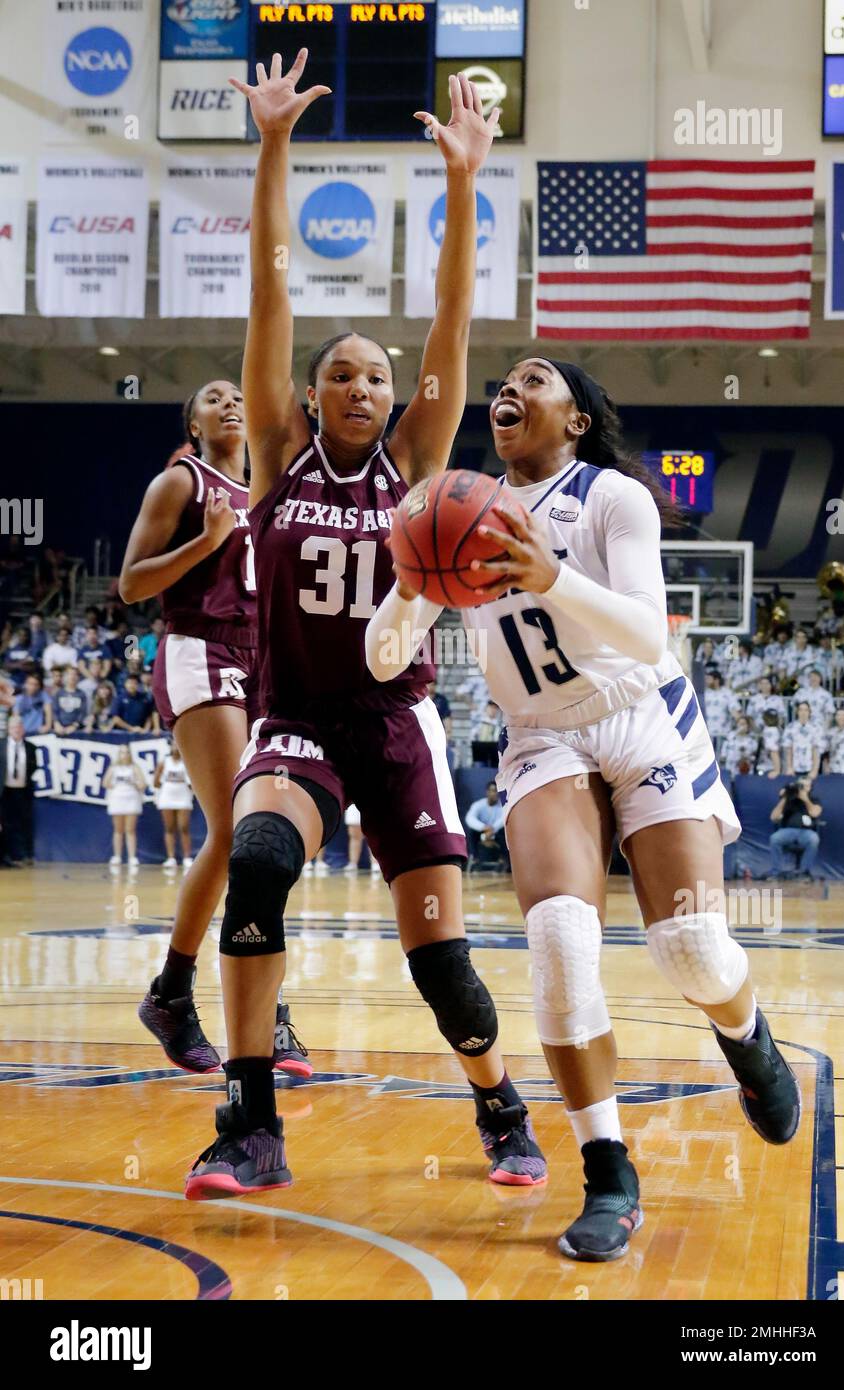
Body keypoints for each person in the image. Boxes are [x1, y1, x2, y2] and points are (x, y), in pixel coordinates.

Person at [183, 52, 545, 1202]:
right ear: (306, 399)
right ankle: (248, 1122)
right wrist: (272, 142)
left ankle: (498, 1105)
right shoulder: (279, 460)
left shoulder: (420, 469)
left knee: (440, 962)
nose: (358, 383)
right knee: (255, 865)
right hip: (292, 719)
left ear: (395, 400)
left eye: (375, 376)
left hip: (394, 727)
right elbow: (269, 292)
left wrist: (464, 183)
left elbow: (448, 314)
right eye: (339, 373)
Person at [369, 356, 800, 1262]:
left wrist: (547, 573)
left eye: (536, 377)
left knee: (689, 946)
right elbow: (380, 659)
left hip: (644, 715)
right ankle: (609, 1170)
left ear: (575, 418)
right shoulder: (456, 504)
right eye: (505, 381)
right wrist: (413, 576)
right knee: (561, 942)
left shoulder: (613, 497)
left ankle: (745, 1032)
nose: (508, 390)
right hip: (540, 735)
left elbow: (648, 630)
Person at [120, 381, 308, 1079]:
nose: (230, 402)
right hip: (200, 646)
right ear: (191, 423)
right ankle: (201, 997)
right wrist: (207, 541)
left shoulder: (268, 487)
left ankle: (187, 996)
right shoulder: (179, 482)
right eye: (211, 397)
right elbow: (133, 585)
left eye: (237, 394)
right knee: (237, 831)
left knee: (267, 834)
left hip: (263, 658)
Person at [153, 736, 196, 868]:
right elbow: (155, 782)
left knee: (184, 827)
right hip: (167, 797)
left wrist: (189, 787)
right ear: (170, 746)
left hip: (183, 797)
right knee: (169, 828)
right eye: (174, 745)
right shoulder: (164, 762)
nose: (176, 747)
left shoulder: (187, 762)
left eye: (178, 745)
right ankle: (171, 858)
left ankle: (187, 858)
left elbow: (192, 783)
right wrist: (167, 788)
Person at [768, 779, 822, 880]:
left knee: (814, 839)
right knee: (774, 838)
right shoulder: (789, 801)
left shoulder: (814, 800)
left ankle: (804, 872)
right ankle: (776, 872)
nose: (801, 788)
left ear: (810, 788)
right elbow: (773, 817)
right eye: (799, 785)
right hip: (788, 830)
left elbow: (815, 813)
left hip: (806, 831)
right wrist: (784, 798)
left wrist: (805, 799)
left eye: (804, 786)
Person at [102, 744, 146, 869]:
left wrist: (134, 783)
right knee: (118, 830)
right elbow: (105, 783)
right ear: (118, 754)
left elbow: (143, 784)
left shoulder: (134, 767)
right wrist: (116, 787)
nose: (124, 754)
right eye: (121, 752)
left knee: (130, 830)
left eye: (126, 752)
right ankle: (117, 856)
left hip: (131, 799)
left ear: (130, 754)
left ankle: (132, 857)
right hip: (117, 799)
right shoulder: (113, 768)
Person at [1, 716, 37, 866]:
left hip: (22, 792)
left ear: (23, 729)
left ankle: (21, 856)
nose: (16, 730)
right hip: (4, 792)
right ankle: (4, 856)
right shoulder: (1, 745)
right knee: (4, 824)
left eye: (19, 727)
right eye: (14, 727)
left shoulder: (31, 747)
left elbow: (33, 768)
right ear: (8, 729)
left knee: (22, 824)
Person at [464, 782, 509, 870]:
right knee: (472, 833)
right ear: (487, 792)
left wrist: (492, 829)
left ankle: (504, 859)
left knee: (504, 832)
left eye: (497, 791)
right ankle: (475, 858)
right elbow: (469, 818)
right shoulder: (478, 805)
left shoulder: (503, 806)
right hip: (482, 833)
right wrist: (483, 828)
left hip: (496, 833)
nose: (495, 793)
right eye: (492, 791)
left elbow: (503, 819)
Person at [782, 701, 824, 780]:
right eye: (801, 710)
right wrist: (789, 767)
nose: (803, 713)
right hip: (794, 769)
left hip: (810, 769)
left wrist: (814, 770)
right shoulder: (790, 727)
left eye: (806, 710)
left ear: (809, 712)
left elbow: (816, 750)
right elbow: (788, 749)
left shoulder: (816, 728)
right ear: (797, 712)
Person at [702, 667, 739, 749]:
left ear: (716, 680)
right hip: (707, 735)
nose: (706, 681)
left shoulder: (727, 693)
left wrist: (739, 722)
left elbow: (735, 711)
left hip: (723, 734)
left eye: (709, 679)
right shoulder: (704, 694)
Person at [343, 803, 381, 876]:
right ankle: (353, 864)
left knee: (372, 832)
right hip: (353, 803)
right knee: (354, 834)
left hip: (372, 801)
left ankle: (375, 864)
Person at [719, 713, 758, 777]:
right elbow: (723, 755)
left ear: (748, 726)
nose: (741, 726)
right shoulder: (730, 737)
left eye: (744, 724)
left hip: (746, 771)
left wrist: (746, 758)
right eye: (740, 724)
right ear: (736, 725)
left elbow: (754, 757)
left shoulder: (752, 741)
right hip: (730, 769)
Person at [52, 668, 88, 734]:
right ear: (65, 677)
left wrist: (74, 726)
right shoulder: (59, 693)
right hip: (59, 728)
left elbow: (83, 712)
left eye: (75, 674)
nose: (72, 676)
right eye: (70, 674)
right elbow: (54, 710)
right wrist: (57, 724)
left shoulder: (82, 694)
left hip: (76, 730)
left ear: (78, 677)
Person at [754, 709, 782, 778]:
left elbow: (773, 751)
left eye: (773, 718)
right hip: (768, 767)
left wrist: (777, 770)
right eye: (769, 718)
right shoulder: (773, 730)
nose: (771, 720)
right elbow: (773, 751)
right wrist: (777, 770)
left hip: (767, 768)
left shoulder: (771, 730)